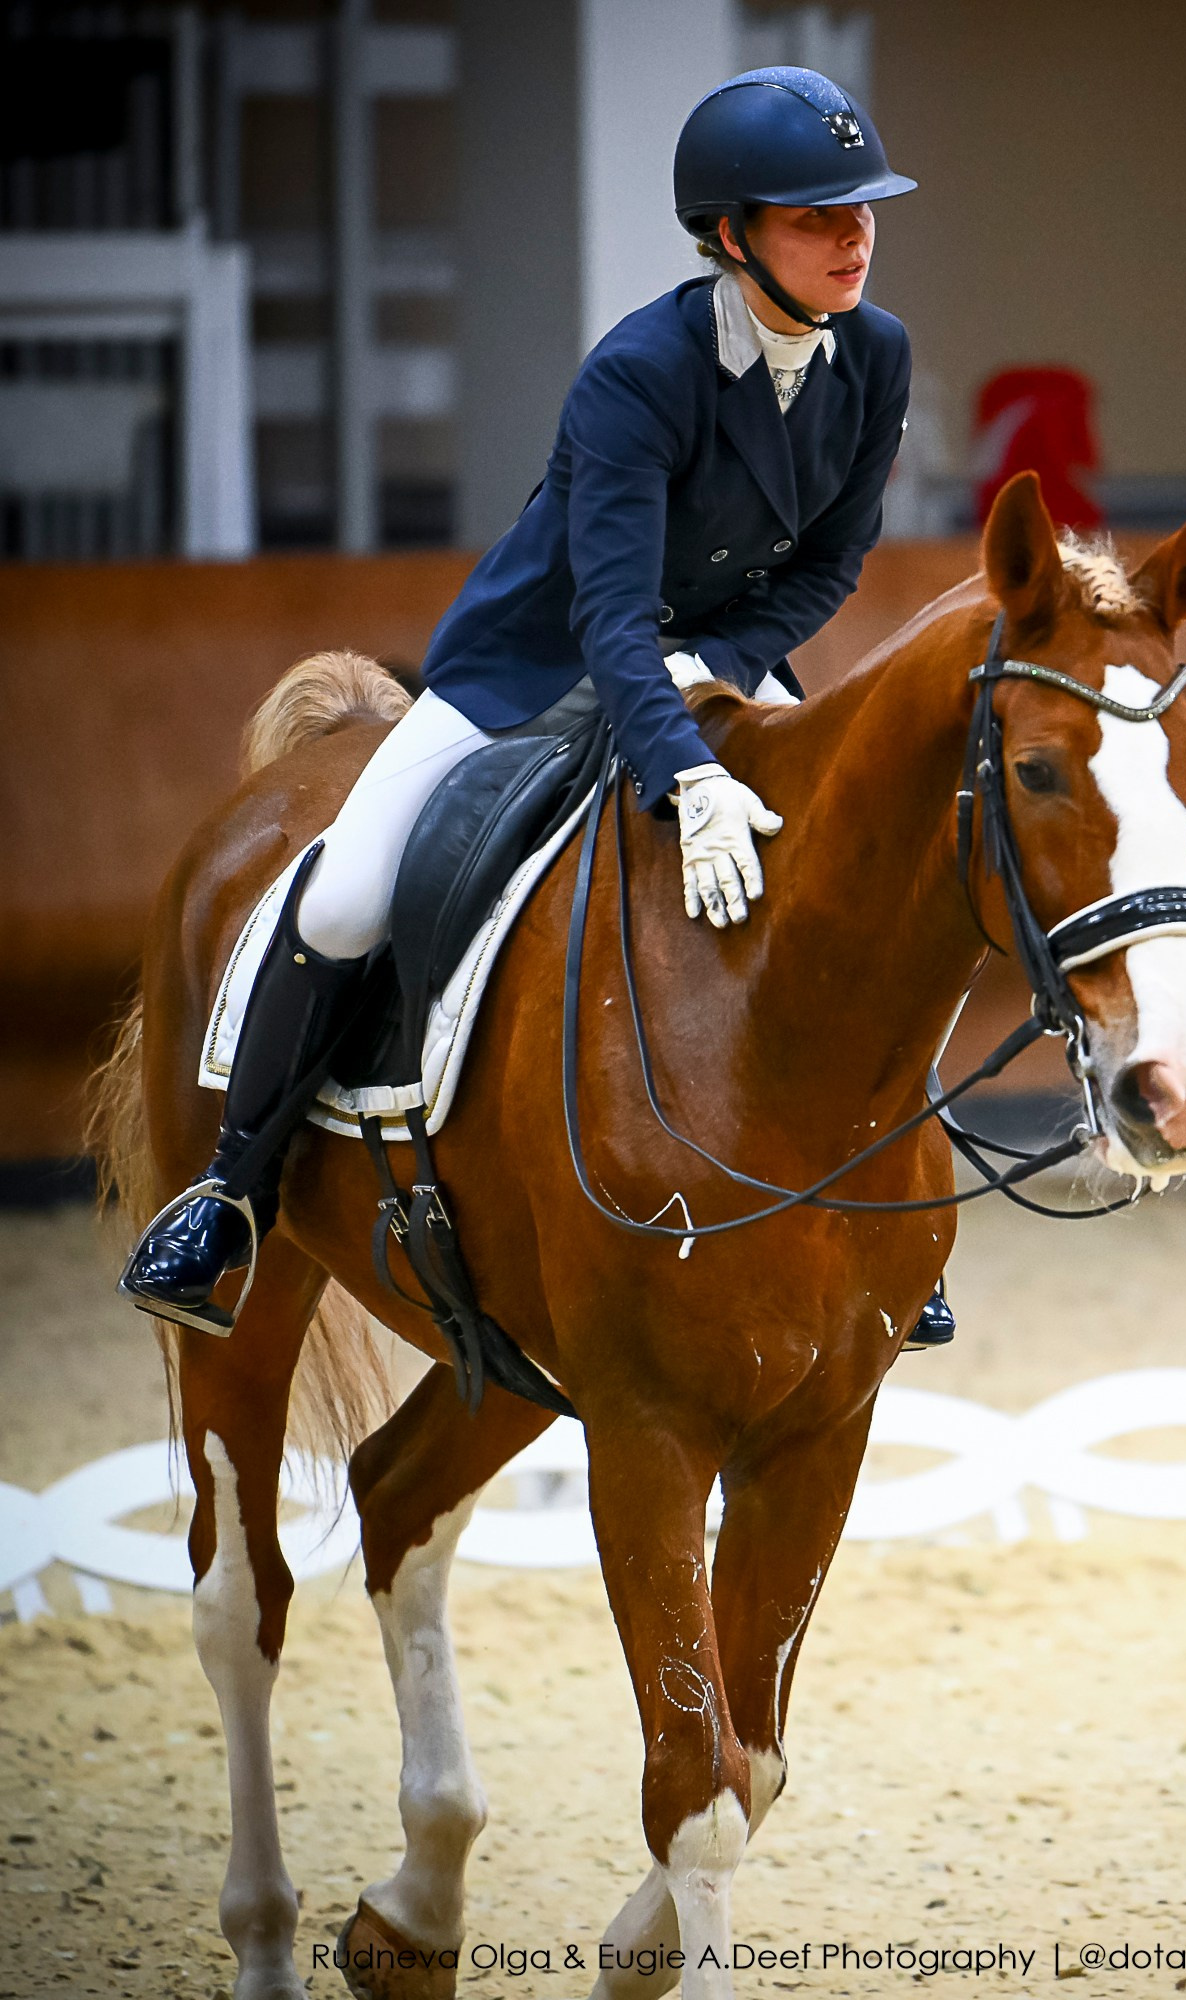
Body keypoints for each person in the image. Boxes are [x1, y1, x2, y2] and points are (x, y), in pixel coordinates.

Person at [121, 66, 958, 1349]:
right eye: (815, 216)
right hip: (533, 659)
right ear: (731, 235)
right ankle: (232, 1190)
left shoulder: (876, 356)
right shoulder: (637, 372)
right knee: (346, 889)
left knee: (856, 857)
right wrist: (684, 773)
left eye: (863, 211)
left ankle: (885, 1193)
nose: (854, 237)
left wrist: (719, 665)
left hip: (715, 653)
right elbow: (607, 619)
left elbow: (830, 565)